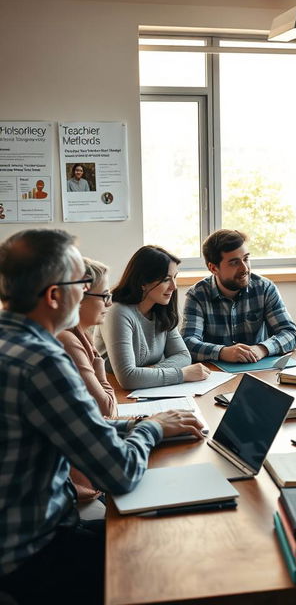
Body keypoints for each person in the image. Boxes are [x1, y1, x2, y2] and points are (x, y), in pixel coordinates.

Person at [0, 229, 203, 605]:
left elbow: (71, 428)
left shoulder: (11, 343)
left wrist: (136, 425)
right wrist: (153, 430)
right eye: (83, 282)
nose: (97, 295)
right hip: (31, 555)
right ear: (55, 295)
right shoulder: (44, 362)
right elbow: (120, 473)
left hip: (18, 539)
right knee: (172, 556)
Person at [96, 245, 209, 390]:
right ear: (143, 282)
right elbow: (128, 378)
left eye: (175, 278)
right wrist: (181, 374)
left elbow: (183, 355)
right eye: (166, 279)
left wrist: (147, 374)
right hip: (115, 393)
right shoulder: (117, 311)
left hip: (150, 389)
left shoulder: (161, 309)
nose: (174, 287)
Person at [181, 229, 296, 363]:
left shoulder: (264, 288)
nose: (245, 268)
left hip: (259, 370)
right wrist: (223, 352)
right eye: (234, 262)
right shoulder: (197, 295)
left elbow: (291, 334)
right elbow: (187, 344)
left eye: (246, 258)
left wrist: (261, 349)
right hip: (215, 375)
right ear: (213, 268)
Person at [58, 258, 116, 511]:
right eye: (104, 295)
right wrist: (100, 368)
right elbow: (106, 411)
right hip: (72, 488)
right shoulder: (67, 340)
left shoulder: (79, 335)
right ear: (79, 296)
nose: (109, 303)